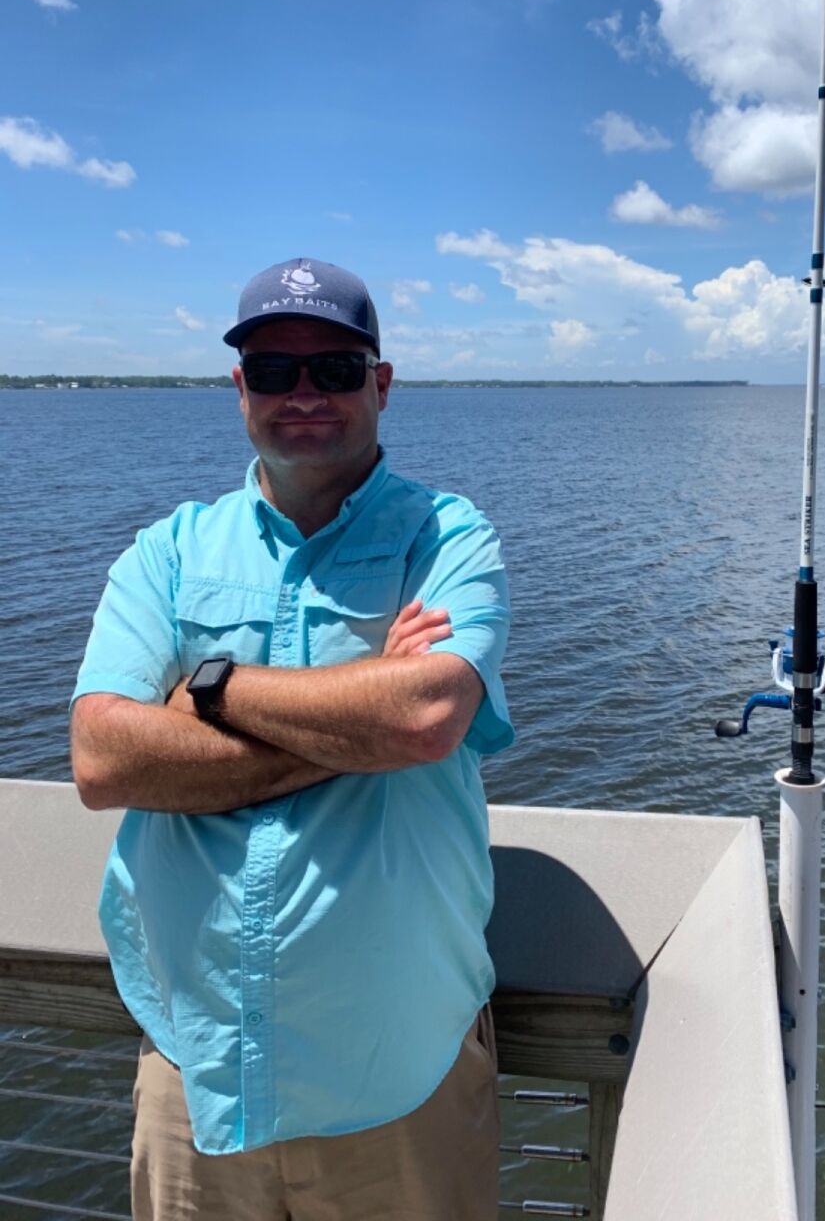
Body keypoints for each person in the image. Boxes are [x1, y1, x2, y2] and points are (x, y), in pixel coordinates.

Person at [70, 258, 515, 1221]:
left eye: (335, 369)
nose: (303, 392)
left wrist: (209, 688)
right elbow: (104, 759)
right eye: (274, 370)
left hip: (399, 1071)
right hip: (199, 1072)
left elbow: (425, 717)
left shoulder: (448, 536)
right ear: (240, 389)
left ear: (381, 384)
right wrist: (361, 718)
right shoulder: (169, 551)